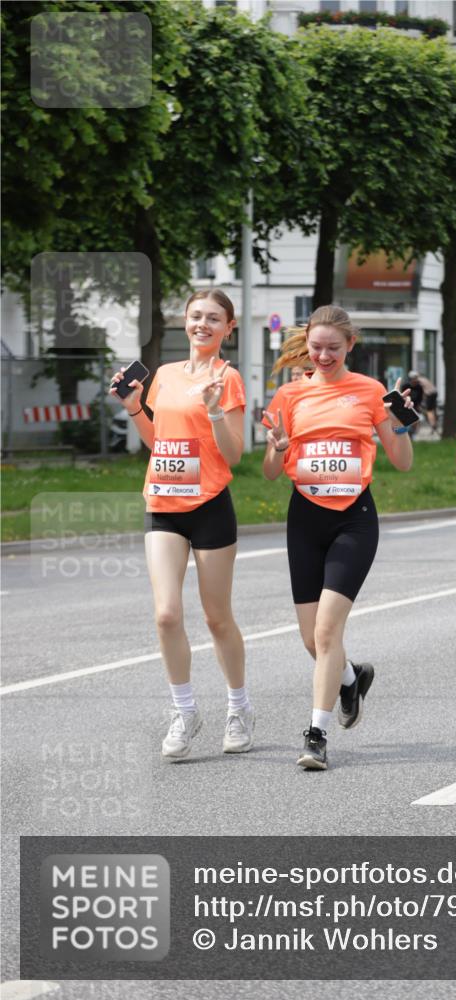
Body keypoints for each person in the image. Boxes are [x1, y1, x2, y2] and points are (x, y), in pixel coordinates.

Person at [262, 305, 414, 771]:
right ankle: (351, 679)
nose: (324, 355)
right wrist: (277, 449)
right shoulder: (288, 396)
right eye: (316, 347)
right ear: (306, 346)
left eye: (333, 347)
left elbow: (403, 461)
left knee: (328, 631)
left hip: (354, 519)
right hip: (304, 518)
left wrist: (404, 423)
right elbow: (270, 474)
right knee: (312, 640)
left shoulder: (370, 392)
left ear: (350, 346)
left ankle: (317, 735)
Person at [109, 289, 255, 760]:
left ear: (228, 328)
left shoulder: (228, 379)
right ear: (185, 322)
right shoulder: (165, 376)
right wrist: (134, 406)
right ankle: (184, 711)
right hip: (164, 502)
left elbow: (233, 453)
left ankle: (238, 707)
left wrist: (213, 411)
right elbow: (160, 441)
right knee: (166, 614)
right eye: (196, 317)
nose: (203, 325)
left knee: (216, 618)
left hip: (210, 503)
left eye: (214, 319)